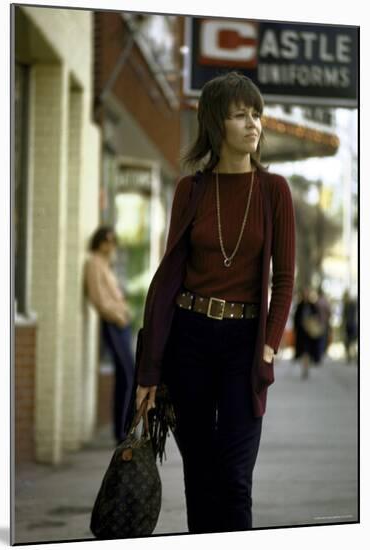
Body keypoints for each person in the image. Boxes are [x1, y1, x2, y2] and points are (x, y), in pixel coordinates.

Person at [133, 71, 296, 534]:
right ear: (215, 125)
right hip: (191, 340)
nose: (253, 124)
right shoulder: (191, 190)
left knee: (235, 478)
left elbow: (284, 281)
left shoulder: (273, 191)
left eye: (257, 114)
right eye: (240, 115)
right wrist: (150, 370)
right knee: (200, 476)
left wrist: (266, 349)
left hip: (244, 345)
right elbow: (168, 282)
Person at [84, 226, 135, 444]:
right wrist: (118, 315)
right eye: (109, 240)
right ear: (100, 241)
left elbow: (114, 295)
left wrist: (125, 311)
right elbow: (97, 298)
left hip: (121, 322)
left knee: (128, 375)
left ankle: (123, 429)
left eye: (115, 240)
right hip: (112, 324)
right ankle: (121, 431)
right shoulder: (94, 263)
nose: (112, 244)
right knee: (127, 372)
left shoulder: (106, 264)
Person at [293, 287, 323, 379]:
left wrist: (311, 323)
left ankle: (306, 367)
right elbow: (296, 319)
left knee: (308, 352)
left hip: (310, 334)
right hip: (302, 334)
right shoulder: (299, 305)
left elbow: (317, 317)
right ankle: (304, 368)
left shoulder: (312, 306)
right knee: (304, 351)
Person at [341, 289, 358, 363]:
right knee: (348, 342)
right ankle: (350, 356)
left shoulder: (353, 304)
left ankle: (354, 356)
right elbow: (343, 316)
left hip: (352, 325)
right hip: (348, 325)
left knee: (352, 341)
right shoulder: (346, 305)